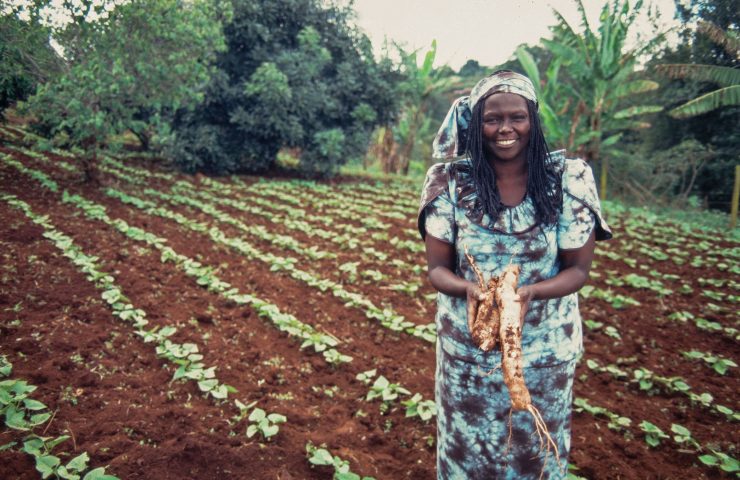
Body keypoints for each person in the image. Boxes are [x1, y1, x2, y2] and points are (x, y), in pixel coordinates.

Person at [417, 70, 612, 479]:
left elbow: (578, 269)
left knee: (535, 458)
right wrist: (468, 288)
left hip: (544, 354)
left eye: (516, 117)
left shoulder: (568, 179)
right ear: (477, 124)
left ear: (533, 120)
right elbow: (437, 268)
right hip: (467, 356)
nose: (505, 129)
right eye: (492, 119)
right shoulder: (448, 182)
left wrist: (530, 294)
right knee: (466, 458)